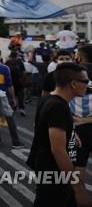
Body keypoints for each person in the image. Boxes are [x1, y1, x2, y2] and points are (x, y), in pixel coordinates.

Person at [27, 62, 92, 207]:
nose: (88, 85)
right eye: (86, 81)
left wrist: (71, 133)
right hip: (54, 171)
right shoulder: (58, 106)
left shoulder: (49, 99)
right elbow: (58, 150)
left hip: (48, 168)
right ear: (74, 84)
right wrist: (77, 189)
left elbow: (47, 127)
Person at [0, 48, 25, 149]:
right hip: (3, 96)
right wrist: (13, 98)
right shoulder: (4, 68)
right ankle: (16, 142)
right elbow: (9, 85)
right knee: (9, 118)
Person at [71, 45, 92, 186]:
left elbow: (60, 100)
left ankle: (78, 195)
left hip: (77, 126)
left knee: (79, 164)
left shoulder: (72, 73)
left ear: (80, 56)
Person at [5, 51, 27, 116]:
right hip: (19, 81)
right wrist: (24, 80)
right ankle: (21, 108)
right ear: (16, 56)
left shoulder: (7, 62)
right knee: (21, 95)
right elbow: (24, 72)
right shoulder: (20, 62)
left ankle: (13, 106)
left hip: (10, 81)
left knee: (11, 95)